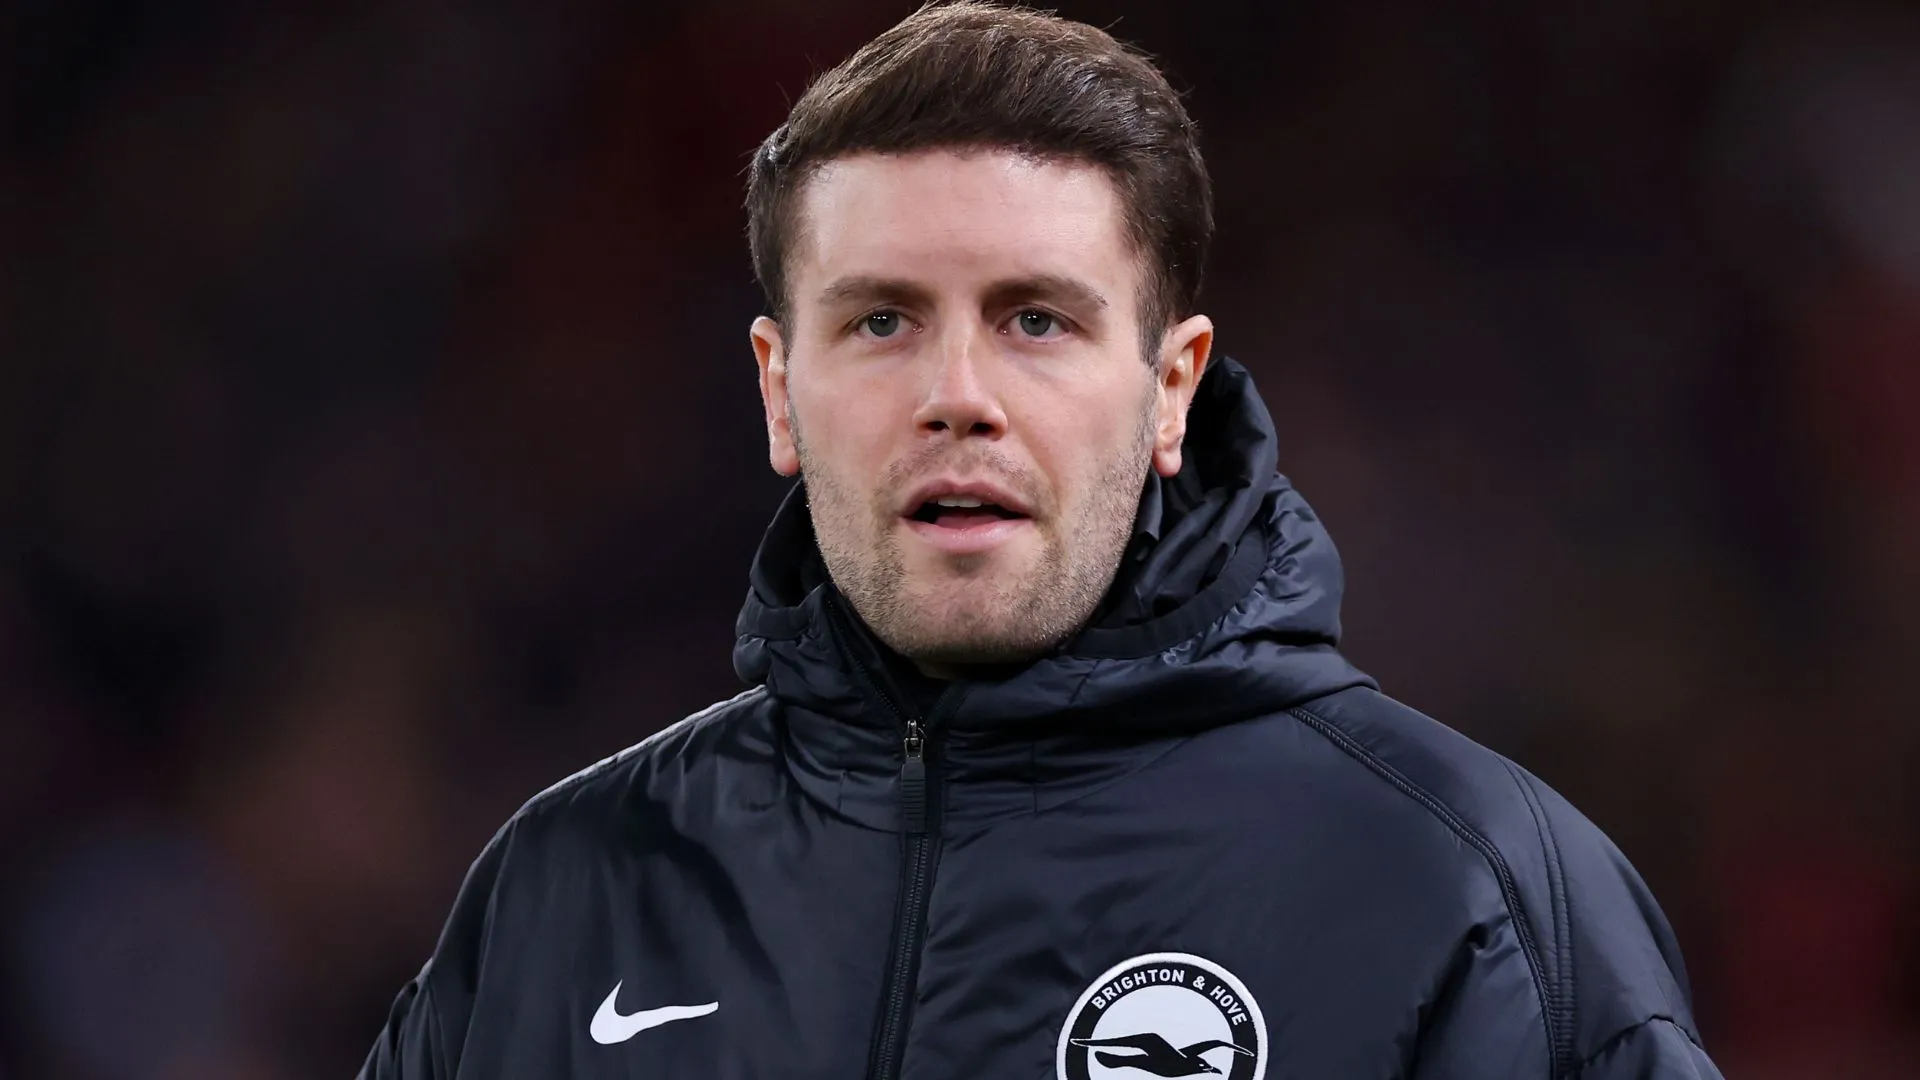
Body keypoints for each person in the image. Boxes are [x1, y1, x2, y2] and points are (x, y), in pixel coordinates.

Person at [359, 3, 1722, 1077]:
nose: (959, 394)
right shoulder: (571, 893)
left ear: (1169, 388)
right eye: (882, 319)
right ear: (781, 389)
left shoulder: (1466, 892)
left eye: (1037, 320)